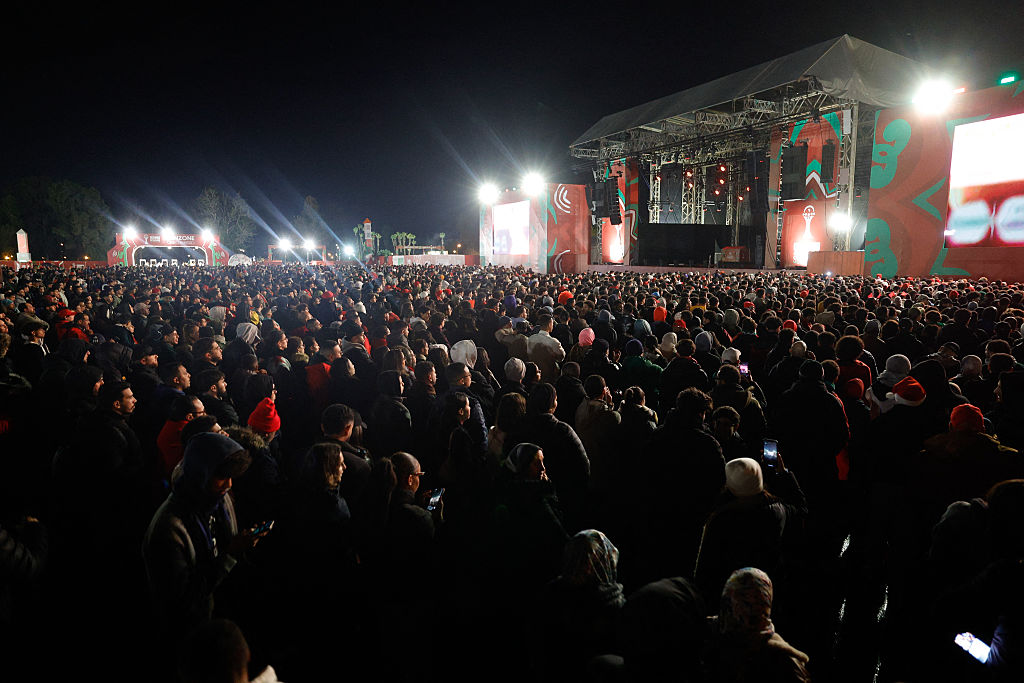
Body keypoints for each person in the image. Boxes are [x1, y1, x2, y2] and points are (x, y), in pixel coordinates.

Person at [142, 432, 255, 639]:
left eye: (231, 477)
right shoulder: (169, 528)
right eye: (222, 476)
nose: (229, 484)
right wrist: (230, 555)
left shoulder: (220, 500)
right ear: (201, 474)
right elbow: (181, 598)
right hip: (192, 632)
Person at [708, 568, 811, 683]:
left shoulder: (782, 660)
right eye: (744, 602)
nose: (748, 612)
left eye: (751, 605)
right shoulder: (706, 634)